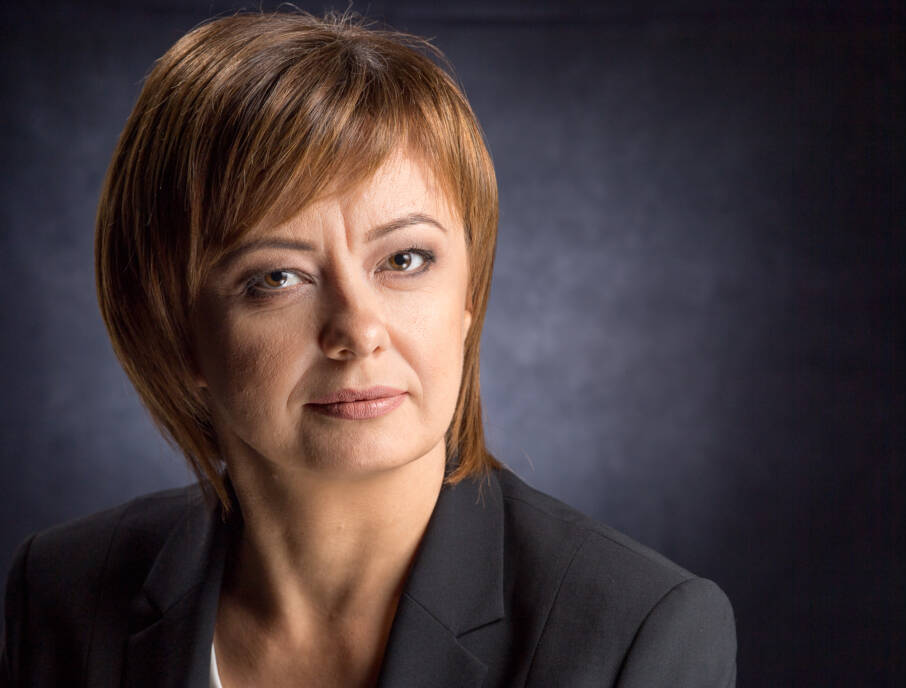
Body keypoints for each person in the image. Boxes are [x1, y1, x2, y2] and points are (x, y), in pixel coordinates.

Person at [1, 10, 736, 687]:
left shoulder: (636, 634)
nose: (358, 330)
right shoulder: (60, 593)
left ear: (469, 296)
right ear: (171, 329)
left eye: (405, 260)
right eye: (276, 277)